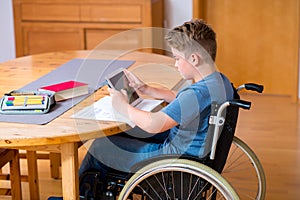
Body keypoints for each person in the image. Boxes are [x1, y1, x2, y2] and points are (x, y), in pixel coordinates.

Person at [78, 19, 235, 198]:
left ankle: (80, 194)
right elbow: (187, 102)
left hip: (175, 159)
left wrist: (122, 106)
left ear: (194, 58)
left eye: (177, 58)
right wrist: (148, 90)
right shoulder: (219, 81)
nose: (175, 64)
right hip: (191, 150)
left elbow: (154, 124)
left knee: (100, 147)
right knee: (121, 133)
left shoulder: (197, 93)